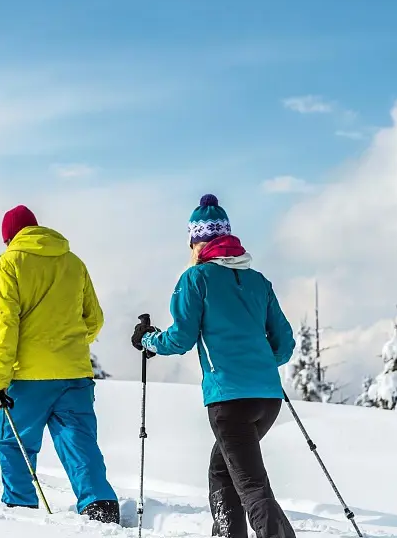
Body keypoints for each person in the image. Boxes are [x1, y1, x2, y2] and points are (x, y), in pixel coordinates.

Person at [131, 194, 298, 538]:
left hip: (228, 401)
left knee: (249, 483)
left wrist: (148, 340)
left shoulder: (196, 279)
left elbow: (180, 338)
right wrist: (259, 364)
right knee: (226, 470)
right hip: (267, 399)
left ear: (195, 241)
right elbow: (285, 344)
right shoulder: (258, 281)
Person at [0, 204, 120, 524]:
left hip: (27, 375)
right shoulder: (73, 263)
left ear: (9, 238)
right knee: (79, 440)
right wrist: (69, 342)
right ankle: (100, 504)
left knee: (15, 442)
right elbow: (95, 319)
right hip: (74, 372)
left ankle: (20, 509)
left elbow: (5, 323)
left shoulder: (8, 264)